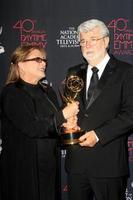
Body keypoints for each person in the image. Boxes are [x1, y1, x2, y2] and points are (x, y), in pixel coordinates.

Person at [64, 19, 133, 200]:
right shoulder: (73, 73)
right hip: (77, 164)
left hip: (109, 164)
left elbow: (131, 114)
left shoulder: (126, 72)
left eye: (92, 39)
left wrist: (98, 135)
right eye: (83, 41)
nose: (87, 45)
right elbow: (68, 109)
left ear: (106, 41)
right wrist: (68, 121)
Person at [0, 45, 79, 200]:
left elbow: (51, 128)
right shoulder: (11, 92)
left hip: (49, 167)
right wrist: (63, 114)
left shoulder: (48, 91)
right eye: (37, 59)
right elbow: (31, 127)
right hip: (23, 170)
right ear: (21, 64)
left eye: (44, 60)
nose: (44, 63)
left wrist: (67, 127)